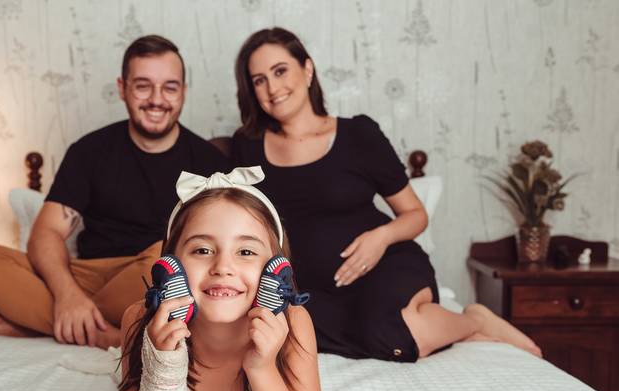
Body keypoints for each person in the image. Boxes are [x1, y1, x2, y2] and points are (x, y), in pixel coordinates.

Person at [230, 27, 542, 362]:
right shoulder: (247, 147)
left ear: (307, 70)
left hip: (385, 267)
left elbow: (415, 215)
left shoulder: (358, 135)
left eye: (280, 71)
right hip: (313, 290)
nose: (272, 88)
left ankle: (474, 319)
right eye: (259, 80)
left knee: (385, 333)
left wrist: (379, 239)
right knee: (297, 330)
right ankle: (456, 329)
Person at [0, 35, 228, 348]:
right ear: (122, 88)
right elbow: (46, 233)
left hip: (152, 276)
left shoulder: (209, 162)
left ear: (183, 91)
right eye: (143, 86)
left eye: (169, 87)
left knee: (169, 258)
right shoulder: (89, 151)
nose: (156, 99)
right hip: (87, 276)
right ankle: (107, 331)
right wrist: (67, 295)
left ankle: (42, 323)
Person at [118, 168, 328, 391]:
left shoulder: (293, 323)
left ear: (275, 270)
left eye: (246, 251)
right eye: (202, 250)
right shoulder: (139, 320)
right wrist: (163, 363)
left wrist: (262, 368)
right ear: (172, 266)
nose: (223, 267)